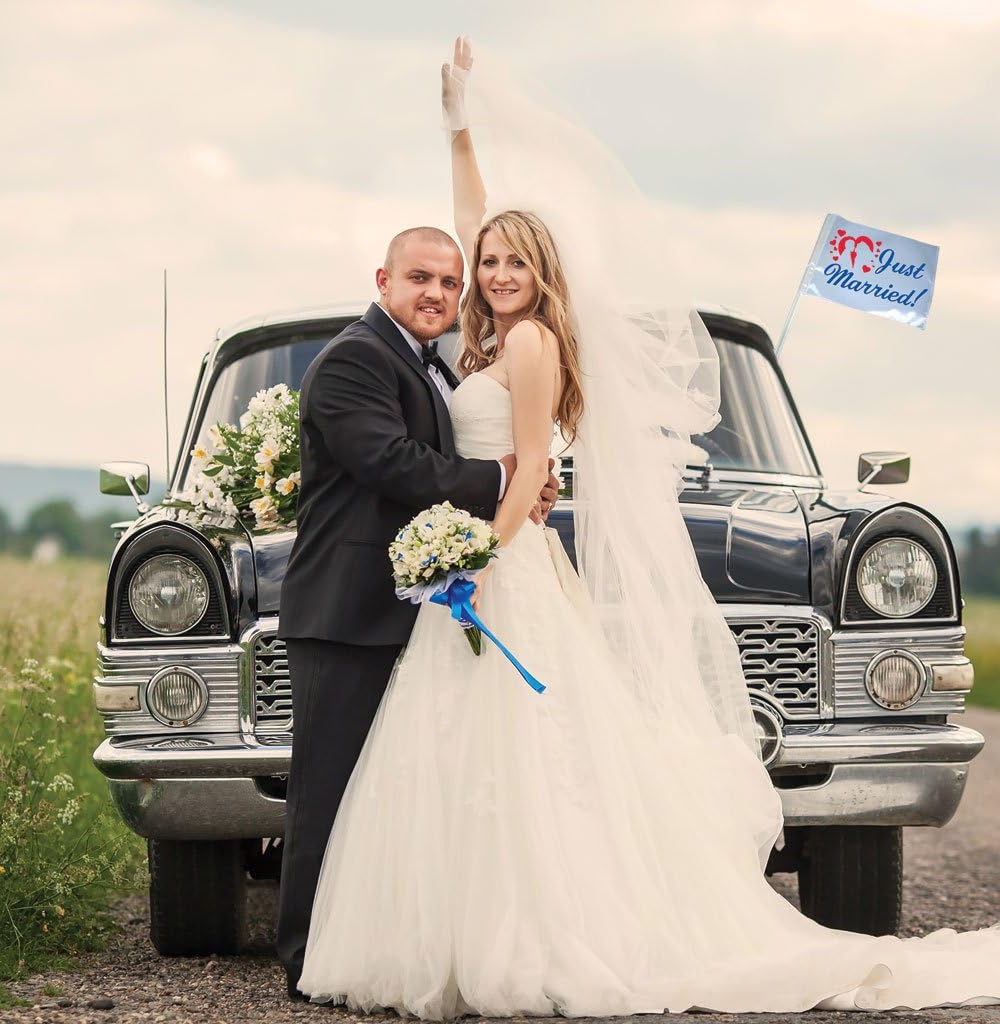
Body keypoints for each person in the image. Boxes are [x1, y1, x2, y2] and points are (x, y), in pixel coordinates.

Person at [295, 38, 1000, 1017]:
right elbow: (473, 228)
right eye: (481, 265)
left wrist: (478, 560)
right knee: (474, 764)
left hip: (504, 562)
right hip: (485, 564)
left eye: (507, 262)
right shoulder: (481, 334)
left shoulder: (533, 341)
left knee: (522, 764)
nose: (488, 273)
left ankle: (535, 937)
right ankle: (458, 934)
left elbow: (532, 469)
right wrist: (459, 132)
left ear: (540, 273)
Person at [275, 223, 560, 1001]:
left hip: (410, 606)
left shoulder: (429, 362)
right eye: (420, 278)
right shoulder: (356, 360)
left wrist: (521, 475)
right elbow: (389, 462)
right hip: (345, 609)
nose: (436, 293)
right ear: (384, 280)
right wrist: (506, 472)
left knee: (396, 785)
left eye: (447, 281)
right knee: (329, 786)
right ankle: (305, 954)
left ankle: (386, 939)